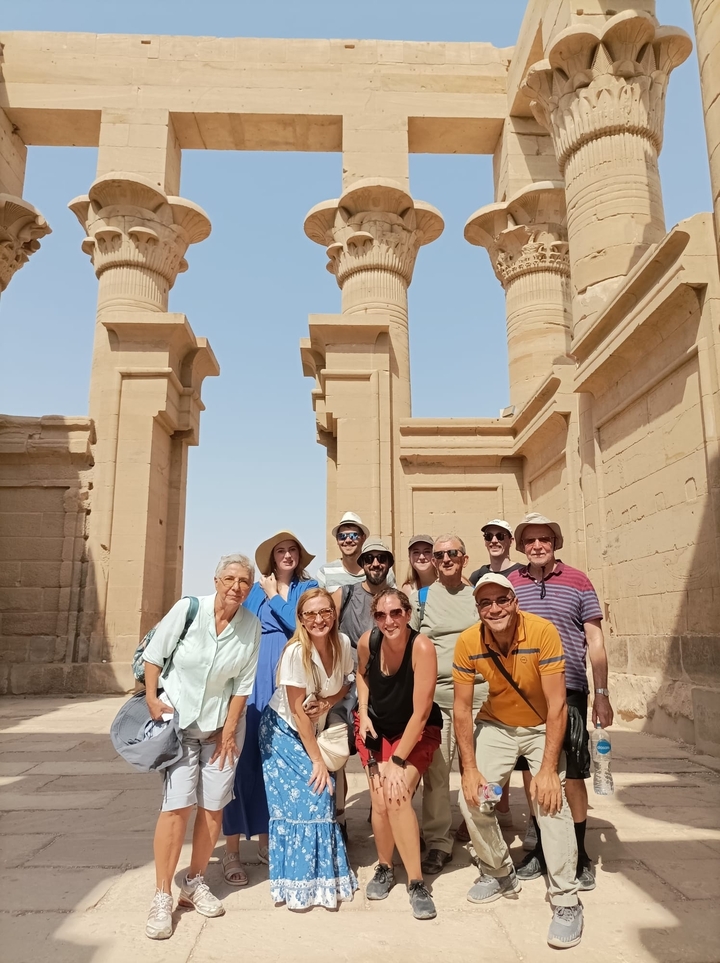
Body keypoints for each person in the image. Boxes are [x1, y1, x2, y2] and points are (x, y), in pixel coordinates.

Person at [453, 573, 583, 949]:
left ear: (514, 601)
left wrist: (546, 770)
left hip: (542, 726)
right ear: (477, 608)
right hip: (497, 728)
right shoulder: (468, 642)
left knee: (548, 802)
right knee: (475, 797)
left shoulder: (541, 632)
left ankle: (566, 899)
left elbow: (557, 705)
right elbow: (462, 709)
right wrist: (471, 768)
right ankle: (498, 870)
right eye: (485, 603)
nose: (494, 609)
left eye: (501, 600)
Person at [142, 553, 261, 941]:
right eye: (229, 578)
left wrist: (228, 731)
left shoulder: (251, 626)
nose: (235, 587)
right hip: (179, 727)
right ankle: (163, 895)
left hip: (220, 732)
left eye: (244, 581)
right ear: (215, 580)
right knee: (176, 808)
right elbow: (155, 654)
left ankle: (194, 882)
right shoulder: (188, 609)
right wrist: (151, 697)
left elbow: (243, 685)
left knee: (213, 809)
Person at [508, 513, 614, 892]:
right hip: (523, 695)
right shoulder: (510, 582)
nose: (538, 546)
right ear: (521, 546)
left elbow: (595, 641)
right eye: (531, 541)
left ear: (555, 544)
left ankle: (580, 853)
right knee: (532, 773)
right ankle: (538, 848)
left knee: (572, 774)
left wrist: (601, 694)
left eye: (545, 540)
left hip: (568, 691)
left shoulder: (578, 581)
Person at [222, 531, 317, 885]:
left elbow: (303, 624)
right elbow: (236, 630)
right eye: (281, 550)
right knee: (237, 764)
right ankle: (231, 851)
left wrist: (277, 596)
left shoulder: (308, 589)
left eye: (293, 549)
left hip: (292, 679)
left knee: (277, 765)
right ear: (272, 557)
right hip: (253, 679)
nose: (288, 555)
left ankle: (267, 843)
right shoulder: (254, 590)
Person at [260, 587, 358, 909]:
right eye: (310, 614)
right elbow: (299, 713)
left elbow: (346, 682)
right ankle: (299, 887)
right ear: (301, 619)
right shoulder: (295, 654)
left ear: (334, 613)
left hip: (311, 731)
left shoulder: (342, 644)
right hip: (283, 732)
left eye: (325, 612)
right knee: (317, 793)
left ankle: (323, 883)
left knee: (320, 798)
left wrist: (329, 701)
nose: (319, 619)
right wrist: (316, 760)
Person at [355, 588, 441, 921]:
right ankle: (386, 866)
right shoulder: (368, 642)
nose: (388, 621)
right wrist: (362, 711)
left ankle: (417, 882)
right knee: (379, 800)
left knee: (397, 794)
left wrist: (397, 761)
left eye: (395, 613)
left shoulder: (422, 647)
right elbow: (362, 676)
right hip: (377, 728)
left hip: (414, 732)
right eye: (380, 615)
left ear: (407, 614)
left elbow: (421, 713)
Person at [410, 533, 484, 876]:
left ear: (464, 558)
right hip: (438, 699)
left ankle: (484, 836)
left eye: (453, 552)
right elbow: (406, 643)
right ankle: (438, 842)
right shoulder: (421, 599)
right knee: (437, 775)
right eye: (439, 555)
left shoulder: (480, 597)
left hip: (480, 697)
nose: (445, 559)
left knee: (482, 771)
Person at [331, 538, 394, 833]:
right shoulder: (345, 594)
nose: (375, 564)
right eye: (370, 559)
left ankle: (379, 811)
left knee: (380, 748)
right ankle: (339, 819)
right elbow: (321, 629)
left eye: (381, 558)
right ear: (363, 564)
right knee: (338, 751)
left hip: (383, 683)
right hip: (347, 683)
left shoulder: (395, 600)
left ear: (388, 564)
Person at [468, 519, 524, 830]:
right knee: (491, 753)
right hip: (489, 671)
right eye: (488, 535)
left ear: (510, 540)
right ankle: (494, 809)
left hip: (518, 671)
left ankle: (507, 811)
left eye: (499, 535)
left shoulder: (520, 575)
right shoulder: (478, 576)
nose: (493, 540)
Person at [315, 511, 369, 591]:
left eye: (353, 535)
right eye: (342, 536)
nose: (348, 540)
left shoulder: (380, 569)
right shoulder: (325, 572)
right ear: (337, 540)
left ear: (363, 538)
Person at [468, 519, 523, 586]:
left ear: (511, 541)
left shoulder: (523, 573)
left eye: (500, 536)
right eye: (489, 536)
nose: (494, 541)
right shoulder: (477, 577)